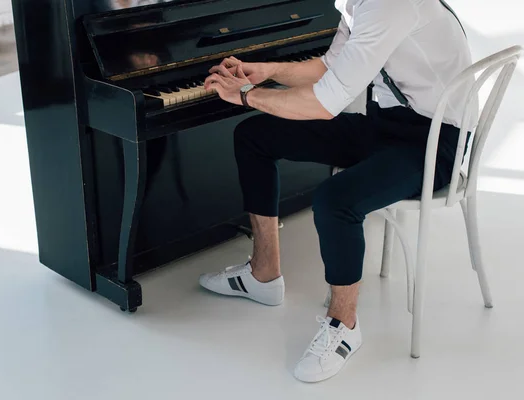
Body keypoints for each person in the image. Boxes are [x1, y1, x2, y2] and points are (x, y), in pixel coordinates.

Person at [199, 0, 475, 383]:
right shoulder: (358, 2)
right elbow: (330, 66)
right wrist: (265, 72)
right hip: (387, 126)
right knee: (253, 136)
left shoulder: (387, 6)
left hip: (433, 142)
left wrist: (246, 95)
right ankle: (263, 276)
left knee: (335, 199)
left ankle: (344, 325)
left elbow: (325, 102)